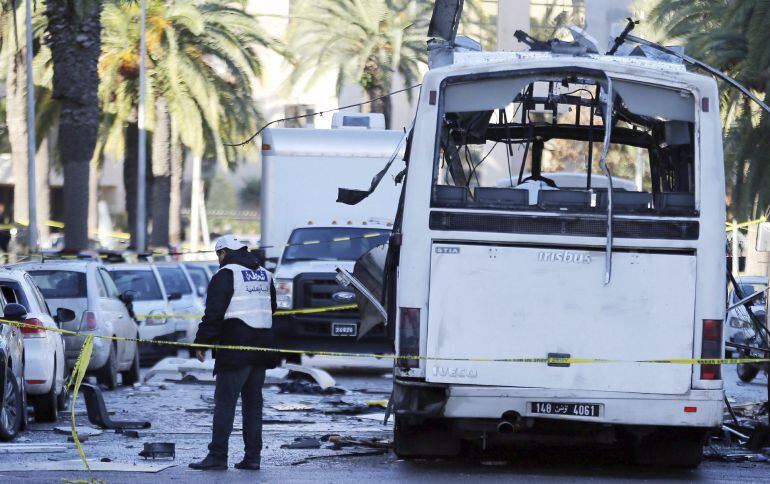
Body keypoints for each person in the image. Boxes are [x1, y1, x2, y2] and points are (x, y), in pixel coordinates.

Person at [189, 235, 277, 471]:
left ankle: (217, 456)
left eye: (219, 255)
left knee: (225, 404)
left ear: (224, 252)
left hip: (236, 348)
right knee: (253, 405)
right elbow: (273, 308)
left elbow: (214, 313)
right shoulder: (264, 274)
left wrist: (201, 343)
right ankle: (252, 457)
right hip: (262, 348)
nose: (219, 260)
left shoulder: (226, 274)